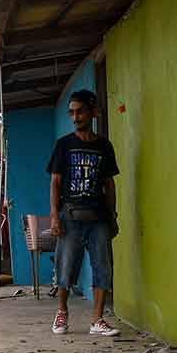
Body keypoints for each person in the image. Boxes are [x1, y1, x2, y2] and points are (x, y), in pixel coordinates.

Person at [47, 89, 121, 337]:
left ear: (93, 112)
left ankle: (97, 319)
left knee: (103, 267)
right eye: (72, 112)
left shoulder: (104, 146)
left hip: (98, 217)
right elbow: (55, 183)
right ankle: (62, 312)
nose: (75, 116)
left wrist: (113, 215)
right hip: (70, 216)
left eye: (80, 111)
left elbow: (109, 183)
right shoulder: (64, 145)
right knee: (66, 268)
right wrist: (55, 216)